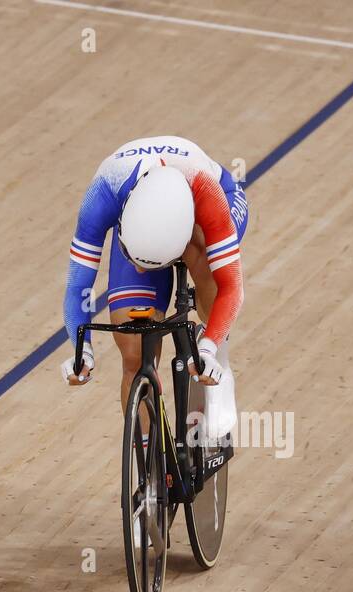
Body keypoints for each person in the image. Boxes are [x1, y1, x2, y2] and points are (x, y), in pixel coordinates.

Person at [60, 135, 247, 406]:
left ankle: (220, 368)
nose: (136, 268)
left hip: (213, 203)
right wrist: (82, 350)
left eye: (146, 263)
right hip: (143, 219)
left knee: (203, 251)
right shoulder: (104, 192)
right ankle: (145, 442)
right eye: (132, 257)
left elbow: (232, 288)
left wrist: (209, 347)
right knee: (134, 354)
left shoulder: (207, 191)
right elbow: (77, 286)